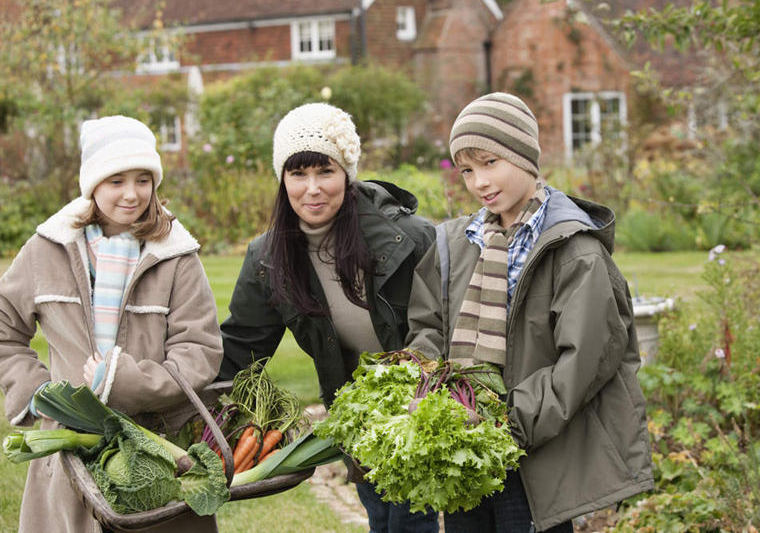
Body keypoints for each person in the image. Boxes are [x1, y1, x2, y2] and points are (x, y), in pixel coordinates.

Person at [404, 92, 654, 533]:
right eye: (467, 169)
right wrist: (428, 387)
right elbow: (427, 326)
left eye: (490, 162)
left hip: (533, 454)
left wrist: (504, 422)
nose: (479, 181)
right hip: (462, 449)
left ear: (525, 157)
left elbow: (585, 359)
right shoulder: (456, 244)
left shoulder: (574, 251)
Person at [217, 102, 439, 533]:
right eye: (298, 174)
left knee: (411, 522)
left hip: (420, 402)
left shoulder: (409, 239)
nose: (312, 188)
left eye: (326, 172)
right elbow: (242, 352)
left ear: (347, 174)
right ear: (282, 179)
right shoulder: (268, 258)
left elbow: (445, 325)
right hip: (358, 409)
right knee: (382, 518)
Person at [0, 115, 224, 533]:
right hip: (71, 452)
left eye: (143, 179)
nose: (132, 194)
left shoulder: (176, 256)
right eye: (116, 180)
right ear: (92, 184)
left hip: (158, 449)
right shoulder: (47, 250)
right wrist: (37, 393)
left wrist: (125, 381)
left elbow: (200, 351)